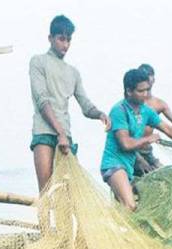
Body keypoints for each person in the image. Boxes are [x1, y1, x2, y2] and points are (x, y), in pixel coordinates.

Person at [29, 15, 110, 194]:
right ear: (50, 38)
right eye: (61, 39)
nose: (65, 44)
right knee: (46, 192)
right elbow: (42, 100)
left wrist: (99, 114)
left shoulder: (73, 72)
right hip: (44, 133)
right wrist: (60, 133)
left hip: (65, 137)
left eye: (69, 40)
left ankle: (64, 224)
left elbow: (85, 104)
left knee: (65, 194)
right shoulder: (38, 62)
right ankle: (43, 224)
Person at [100, 69, 172, 211]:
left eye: (147, 90)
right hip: (113, 165)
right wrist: (148, 139)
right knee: (130, 206)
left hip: (128, 167)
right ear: (129, 91)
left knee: (130, 208)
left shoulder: (145, 111)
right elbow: (125, 144)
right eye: (141, 91)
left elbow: (168, 129)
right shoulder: (119, 111)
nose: (146, 94)